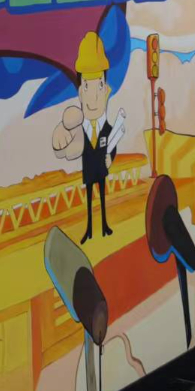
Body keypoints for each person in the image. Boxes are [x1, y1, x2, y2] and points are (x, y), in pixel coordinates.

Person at [51, 32, 125, 244]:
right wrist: (62, 136)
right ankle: (90, 228)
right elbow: (69, 147)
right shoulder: (79, 130)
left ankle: (104, 225)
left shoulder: (107, 128)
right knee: (90, 199)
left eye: (99, 85)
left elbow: (112, 145)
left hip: (101, 170)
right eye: (86, 86)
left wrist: (110, 158)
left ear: (106, 90)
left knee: (102, 197)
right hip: (89, 170)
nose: (93, 97)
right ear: (80, 92)